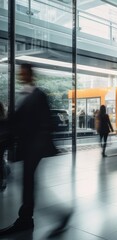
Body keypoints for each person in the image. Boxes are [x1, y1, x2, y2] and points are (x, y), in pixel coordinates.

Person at [0, 63, 62, 236]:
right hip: (27, 148)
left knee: (28, 182)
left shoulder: (38, 95)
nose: (20, 75)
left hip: (34, 148)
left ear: (30, 74)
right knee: (28, 182)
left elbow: (47, 123)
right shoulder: (23, 95)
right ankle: (27, 218)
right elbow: (16, 122)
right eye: (20, 73)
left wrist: (37, 145)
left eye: (23, 72)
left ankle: (29, 219)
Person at [0, 102, 8, 191]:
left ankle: (3, 180)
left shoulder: (3, 120)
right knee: (1, 161)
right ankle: (3, 180)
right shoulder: (4, 118)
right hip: (3, 143)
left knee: (1, 162)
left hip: (1, 142)